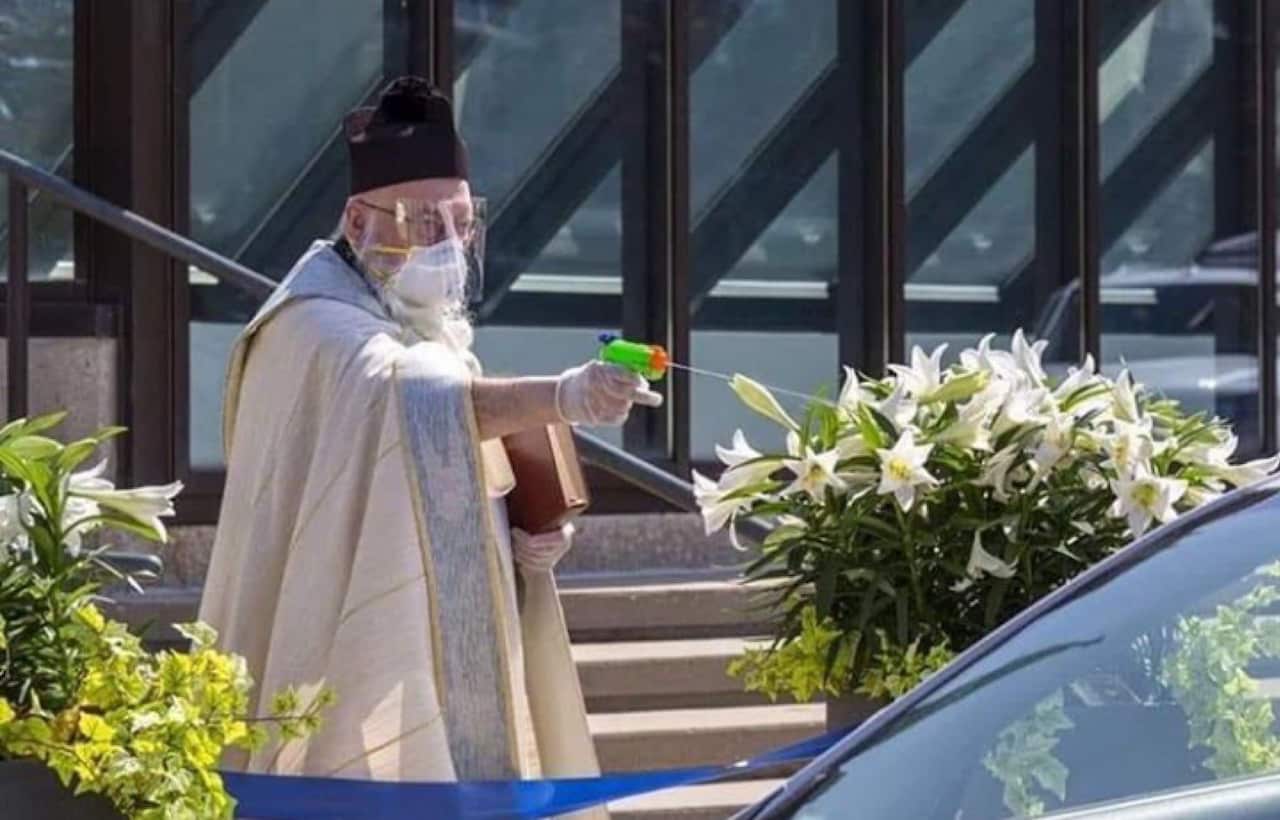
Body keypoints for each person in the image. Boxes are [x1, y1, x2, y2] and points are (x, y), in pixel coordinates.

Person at [197, 76, 659, 807]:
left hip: (432, 638)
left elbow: (441, 461)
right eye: (420, 221)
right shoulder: (312, 324)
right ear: (357, 221)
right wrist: (563, 396)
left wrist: (518, 543)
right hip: (337, 622)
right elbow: (414, 398)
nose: (446, 244)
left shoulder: (417, 323)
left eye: (461, 220)